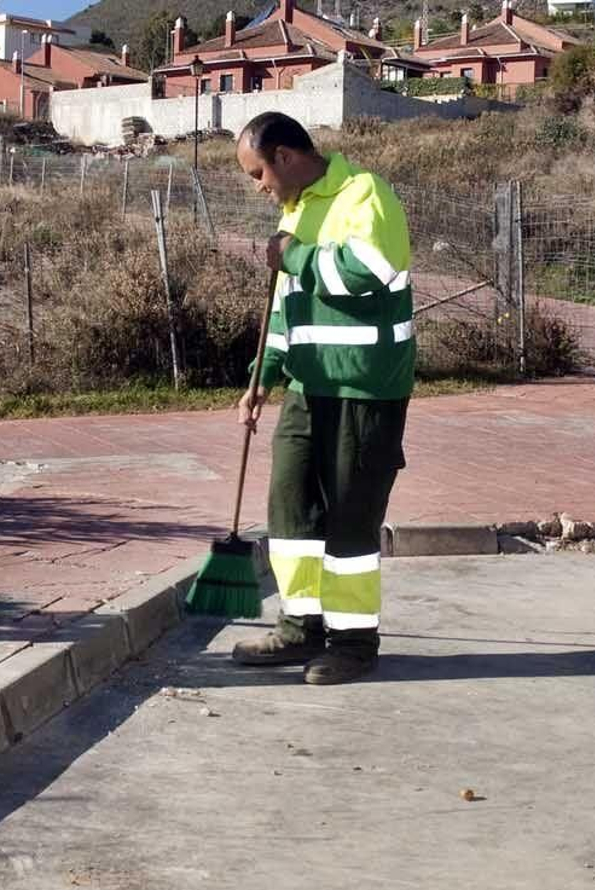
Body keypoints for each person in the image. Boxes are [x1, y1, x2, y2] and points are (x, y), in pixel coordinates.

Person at [230, 112, 414, 685]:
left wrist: (296, 257)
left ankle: (354, 643)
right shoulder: (297, 211)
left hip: (364, 388)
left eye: (258, 172)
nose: (259, 186)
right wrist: (264, 372)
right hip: (307, 389)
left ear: (285, 155)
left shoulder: (365, 193)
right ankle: (300, 627)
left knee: (351, 525)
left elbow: (370, 271)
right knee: (290, 512)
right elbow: (288, 312)